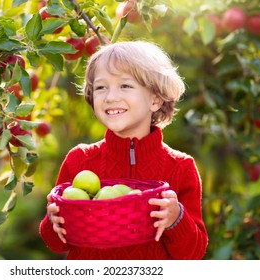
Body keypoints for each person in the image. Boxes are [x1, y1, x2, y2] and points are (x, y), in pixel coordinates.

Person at [39, 40, 208, 259]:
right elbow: (56, 244)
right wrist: (53, 222)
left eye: (125, 85)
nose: (110, 97)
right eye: (101, 87)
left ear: (155, 99)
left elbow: (193, 253)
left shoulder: (180, 167)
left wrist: (176, 218)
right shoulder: (79, 160)